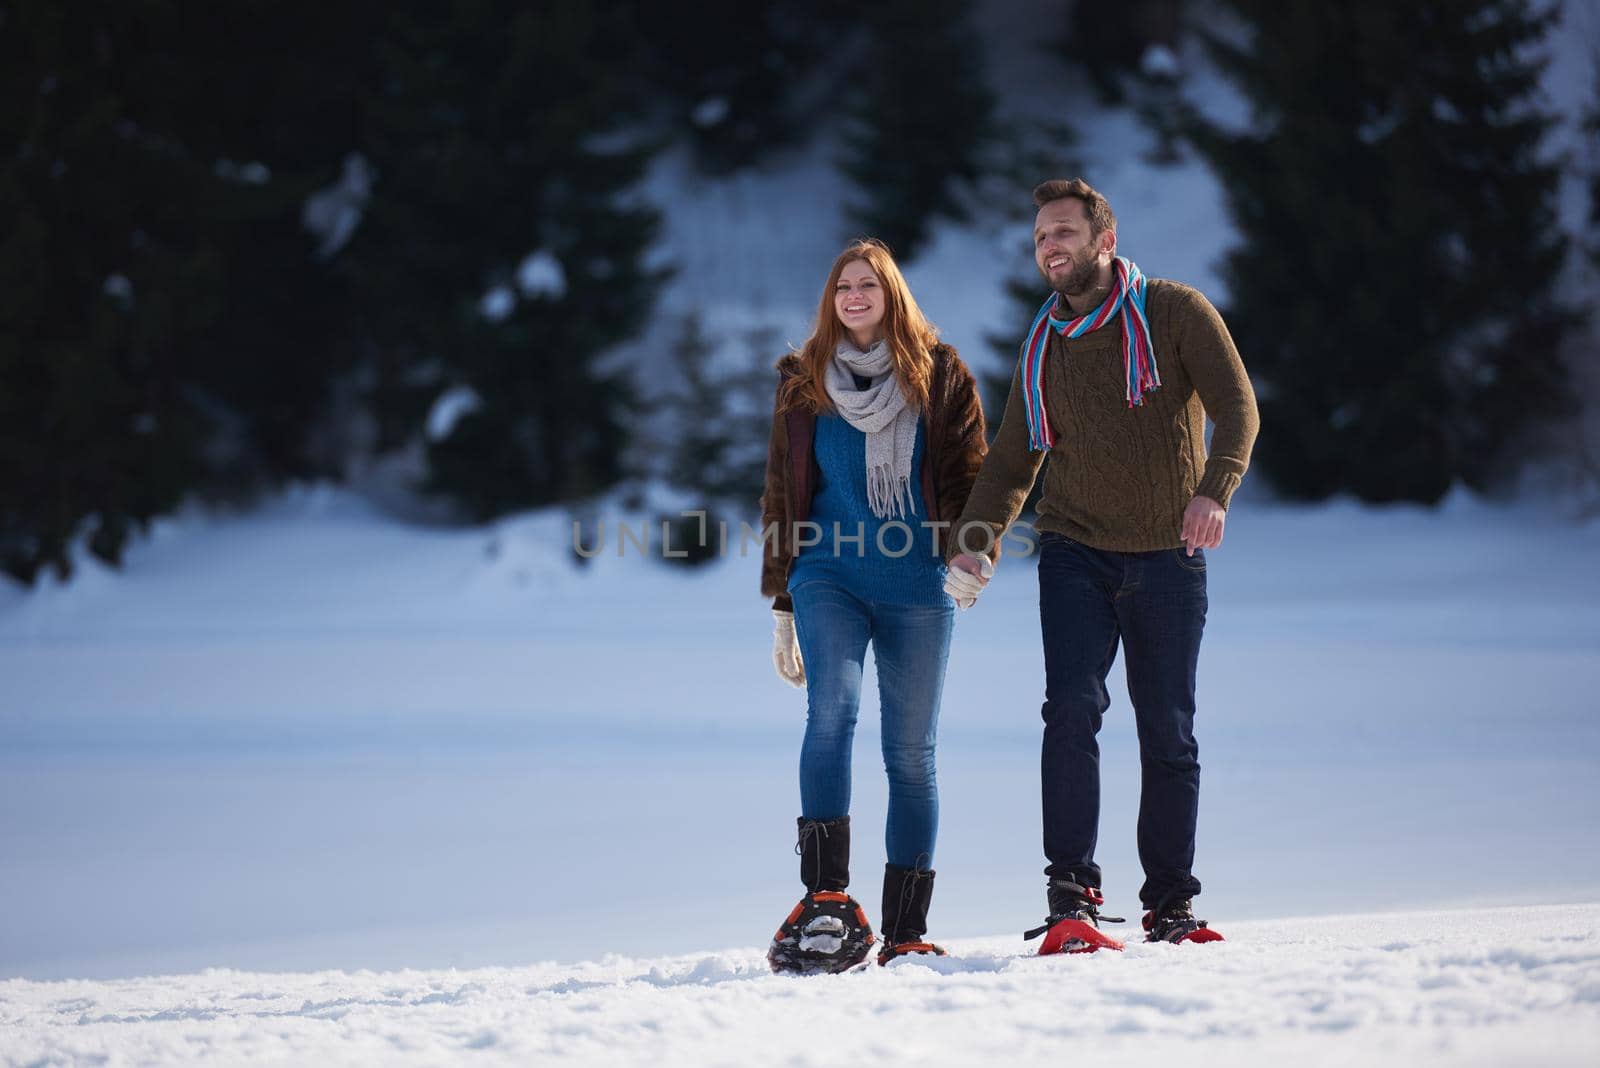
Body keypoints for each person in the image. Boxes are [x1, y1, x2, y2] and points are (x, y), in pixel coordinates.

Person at [944, 179, 1259, 950]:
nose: (1049, 247)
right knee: (1071, 711)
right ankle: (1070, 894)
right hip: (1074, 550)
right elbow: (1015, 455)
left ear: (1103, 241)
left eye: (1063, 233)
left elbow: (1238, 408)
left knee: (1168, 731)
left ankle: (1172, 904)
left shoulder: (1175, 312)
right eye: (1041, 236)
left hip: (1168, 554)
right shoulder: (1045, 340)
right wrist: (976, 540)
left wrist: (1214, 493)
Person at [759, 238, 987, 972]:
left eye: (868, 285)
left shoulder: (941, 375)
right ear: (831, 299)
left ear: (892, 294)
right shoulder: (802, 382)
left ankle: (907, 929)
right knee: (833, 711)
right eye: (843, 286)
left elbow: (969, 476)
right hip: (828, 575)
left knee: (911, 756)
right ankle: (825, 900)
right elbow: (780, 491)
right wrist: (781, 599)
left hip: (919, 585)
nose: (854, 296)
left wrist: (971, 548)